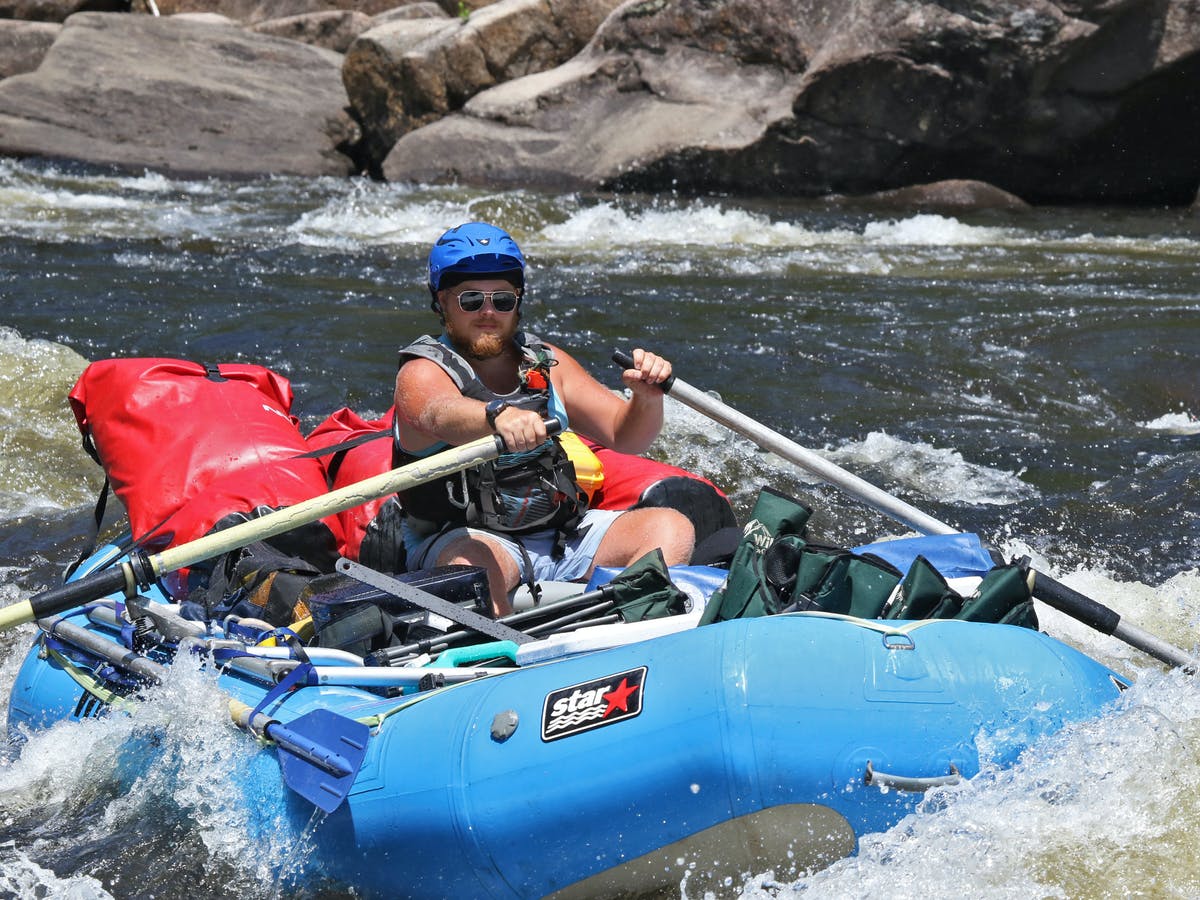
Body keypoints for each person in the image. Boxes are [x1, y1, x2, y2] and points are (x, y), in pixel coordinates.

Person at [392, 222, 696, 615]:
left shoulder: (545, 362)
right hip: (467, 539)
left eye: (503, 300)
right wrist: (496, 418)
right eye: (471, 300)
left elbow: (626, 436)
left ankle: (626, 621)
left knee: (671, 528)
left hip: (561, 535)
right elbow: (439, 413)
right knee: (471, 566)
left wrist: (646, 398)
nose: (488, 312)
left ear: (518, 301)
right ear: (442, 302)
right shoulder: (421, 372)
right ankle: (503, 644)